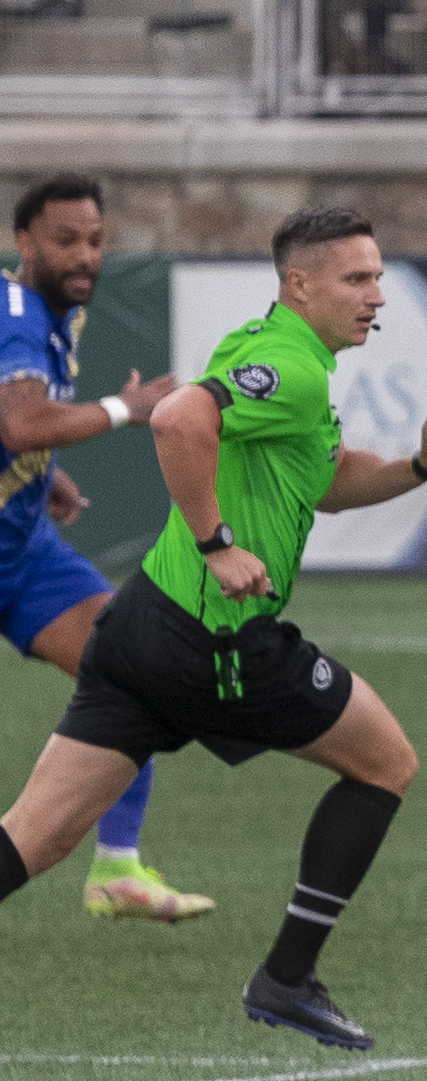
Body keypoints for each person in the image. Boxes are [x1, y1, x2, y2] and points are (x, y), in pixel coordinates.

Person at [0, 206, 427, 1051]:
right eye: (357, 279)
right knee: (385, 763)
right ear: (302, 283)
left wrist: (418, 467)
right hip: (213, 644)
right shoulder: (288, 367)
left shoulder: (271, 350)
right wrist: (219, 544)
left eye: (378, 279)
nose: (376, 297)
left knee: (32, 838)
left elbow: (327, 481)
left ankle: (287, 981)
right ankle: (286, 979)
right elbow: (182, 419)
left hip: (139, 624)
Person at [0, 174, 211, 924]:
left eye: (94, 240)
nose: (84, 254)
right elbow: (21, 423)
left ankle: (118, 868)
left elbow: (25, 434)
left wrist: (46, 478)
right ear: (25, 243)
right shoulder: (18, 313)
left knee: (134, 666)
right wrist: (130, 408)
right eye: (65, 240)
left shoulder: (60, 315)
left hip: (21, 554)